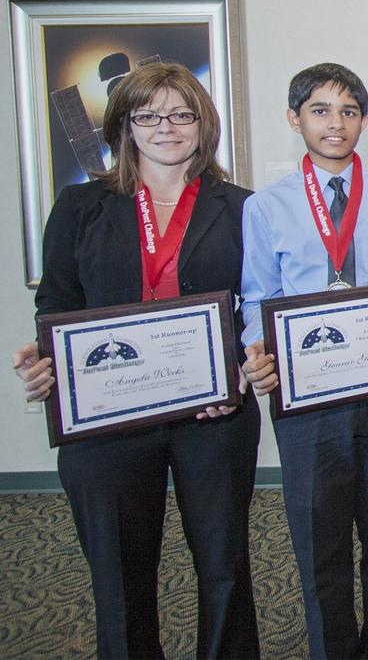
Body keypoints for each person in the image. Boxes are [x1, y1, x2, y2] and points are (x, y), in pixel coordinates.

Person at [12, 63, 260, 659]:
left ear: (205, 125)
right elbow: (58, 304)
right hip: (107, 421)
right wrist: (46, 356)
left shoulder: (244, 207)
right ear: (123, 126)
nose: (166, 127)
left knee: (224, 565)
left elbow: (256, 303)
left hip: (213, 413)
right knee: (120, 576)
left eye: (182, 114)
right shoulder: (80, 206)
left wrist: (248, 361)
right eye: (147, 115)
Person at [238, 62, 368, 660]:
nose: (336, 123)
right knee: (320, 540)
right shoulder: (266, 207)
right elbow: (257, 295)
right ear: (294, 118)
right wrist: (258, 347)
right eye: (320, 110)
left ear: (365, 121)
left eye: (349, 111)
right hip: (309, 399)